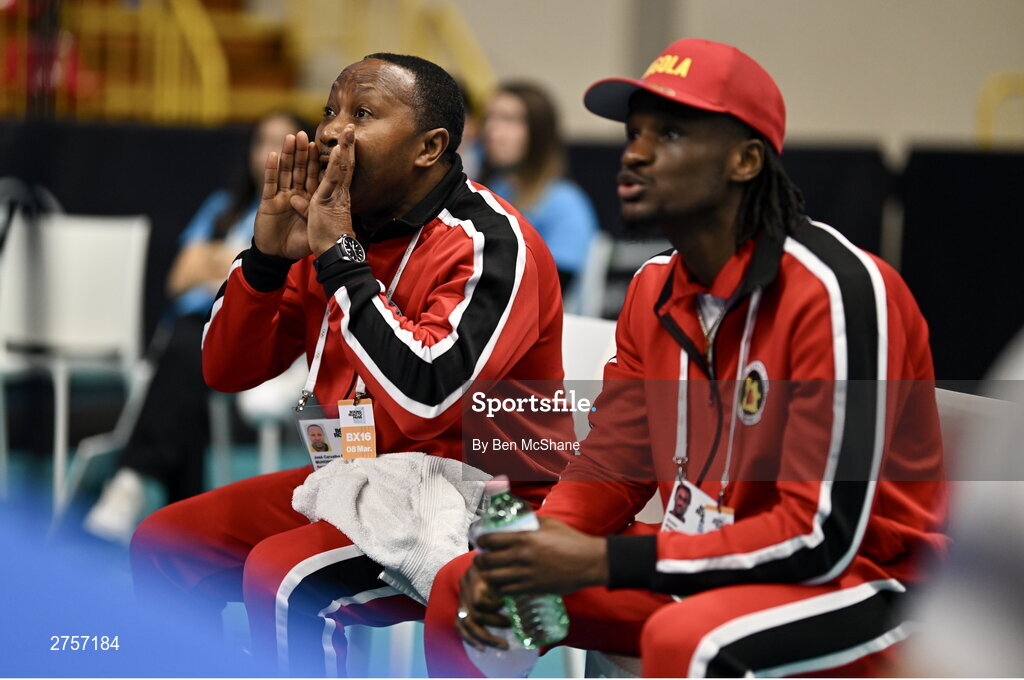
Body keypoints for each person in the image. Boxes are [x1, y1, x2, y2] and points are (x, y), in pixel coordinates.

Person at [425, 38, 947, 677]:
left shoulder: (838, 292)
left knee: (687, 640)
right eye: (634, 132)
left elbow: (820, 538)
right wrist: (537, 547)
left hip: (860, 586)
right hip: (695, 562)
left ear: (746, 160)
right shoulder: (654, 289)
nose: (635, 153)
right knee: (466, 584)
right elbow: (614, 465)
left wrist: (603, 562)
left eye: (669, 134)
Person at [130, 53, 574, 676]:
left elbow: (427, 395)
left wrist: (339, 257)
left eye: (362, 114)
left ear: (430, 147)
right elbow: (223, 370)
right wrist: (264, 261)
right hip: (358, 481)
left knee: (286, 581)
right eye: (330, 111)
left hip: (484, 500)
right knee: (164, 544)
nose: (334, 131)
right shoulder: (333, 229)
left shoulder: (490, 241)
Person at [84, 112, 307, 544]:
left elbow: (281, 279)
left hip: (252, 340)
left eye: (282, 141)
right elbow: (179, 277)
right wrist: (243, 260)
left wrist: (223, 261)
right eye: (262, 140)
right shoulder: (222, 209)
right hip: (195, 334)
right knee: (189, 345)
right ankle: (171, 512)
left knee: (191, 343)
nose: (269, 152)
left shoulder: (305, 215)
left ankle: (131, 480)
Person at [480, 81, 598, 292]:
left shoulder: (565, 202)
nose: (492, 130)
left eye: (509, 119)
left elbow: (554, 287)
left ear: (538, 132)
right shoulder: (488, 188)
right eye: (490, 117)